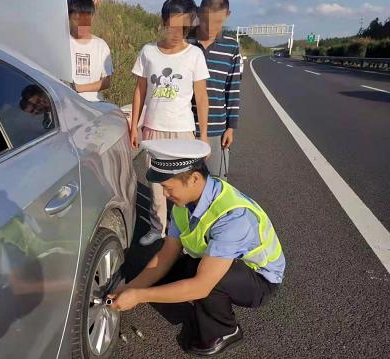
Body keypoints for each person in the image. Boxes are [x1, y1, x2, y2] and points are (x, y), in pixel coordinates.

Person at [109, 139, 285, 356]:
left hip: (259, 279)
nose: (164, 194)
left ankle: (225, 331)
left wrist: (140, 296)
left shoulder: (233, 218)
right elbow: (166, 254)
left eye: (168, 187)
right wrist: (132, 287)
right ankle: (199, 302)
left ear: (193, 178)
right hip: (219, 259)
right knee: (168, 277)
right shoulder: (185, 202)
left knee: (209, 283)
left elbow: (201, 285)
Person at [129, 0, 210, 246]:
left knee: (185, 185)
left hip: (183, 131)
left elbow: (201, 95)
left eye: (183, 28)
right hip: (154, 130)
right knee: (156, 185)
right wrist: (134, 125)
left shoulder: (194, 54)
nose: (176, 34)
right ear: (163, 23)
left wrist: (203, 135)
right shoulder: (148, 52)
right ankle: (157, 228)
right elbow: (140, 91)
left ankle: (185, 233)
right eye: (172, 27)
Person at [190, 0, 241, 178]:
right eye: (206, 21)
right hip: (184, 128)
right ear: (198, 13)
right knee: (184, 183)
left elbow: (233, 89)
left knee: (216, 183)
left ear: (227, 15)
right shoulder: (184, 42)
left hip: (217, 129)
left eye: (218, 22)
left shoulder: (231, 47)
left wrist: (231, 127)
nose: (211, 27)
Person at [67, 0, 113, 102]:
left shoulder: (101, 46)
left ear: (92, 17)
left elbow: (106, 82)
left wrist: (78, 88)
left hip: (93, 105)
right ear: (69, 17)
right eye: (76, 19)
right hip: (66, 102)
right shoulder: (62, 42)